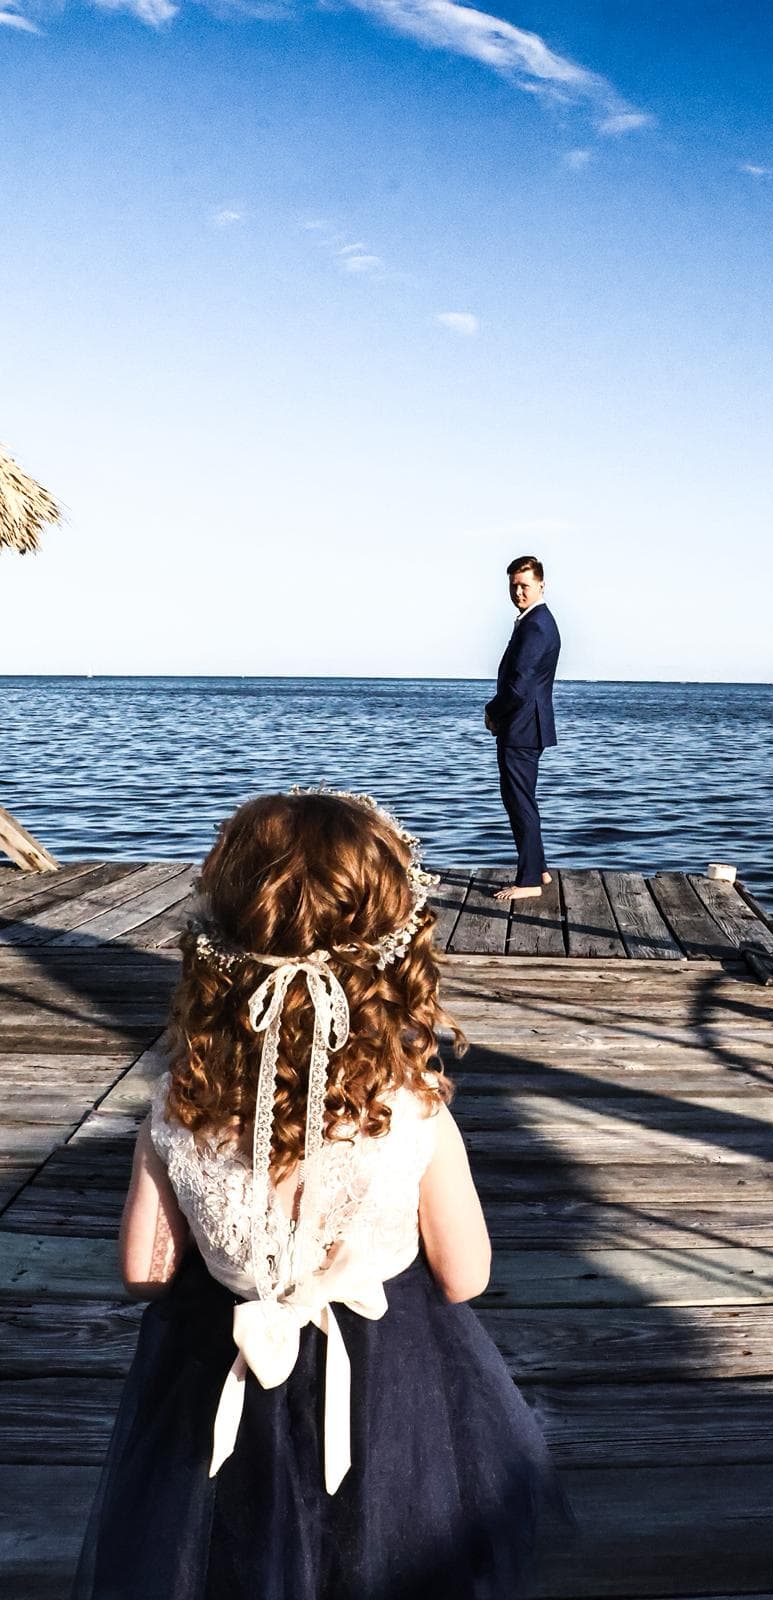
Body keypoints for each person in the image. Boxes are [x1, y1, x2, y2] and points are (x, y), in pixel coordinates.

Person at [72, 789, 560, 1600]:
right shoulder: (414, 1112)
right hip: (390, 1379)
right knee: (390, 1555)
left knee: (227, 1555)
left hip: (221, 1358)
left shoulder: (178, 1105)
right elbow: (465, 1274)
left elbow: (146, 1272)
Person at [484, 556, 561, 903]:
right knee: (521, 798)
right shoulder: (535, 622)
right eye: (513, 585)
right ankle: (538, 866)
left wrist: (493, 713)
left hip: (521, 727)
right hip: (527, 726)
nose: (518, 592)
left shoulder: (537, 626)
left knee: (519, 801)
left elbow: (519, 685)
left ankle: (529, 879)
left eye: (524, 585)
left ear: (541, 585)